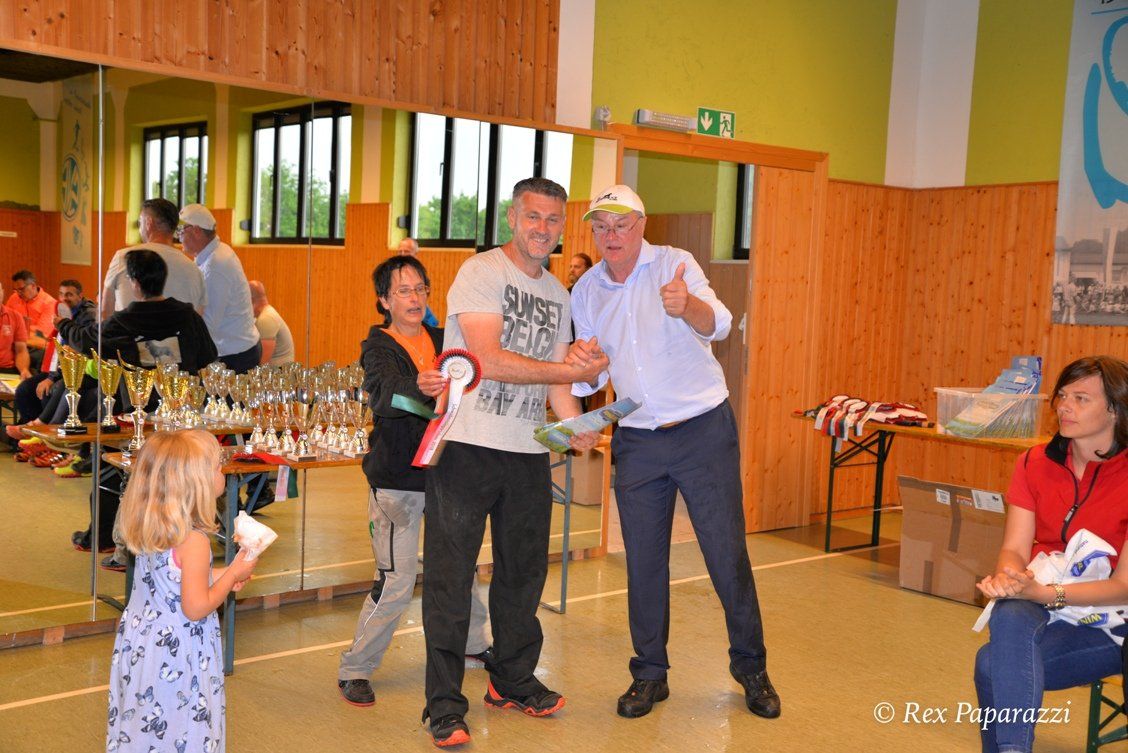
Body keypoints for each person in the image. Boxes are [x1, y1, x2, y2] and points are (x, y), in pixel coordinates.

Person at [568, 184, 780, 720]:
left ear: (642, 224)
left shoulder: (674, 264)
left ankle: (751, 668)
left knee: (725, 554)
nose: (611, 235)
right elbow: (593, 373)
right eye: (601, 227)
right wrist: (585, 364)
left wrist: (689, 307)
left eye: (621, 224)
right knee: (642, 561)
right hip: (637, 439)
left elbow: (720, 324)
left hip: (702, 430)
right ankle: (649, 673)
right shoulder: (586, 290)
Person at [415, 177, 606, 747]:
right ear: (512, 218)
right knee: (451, 579)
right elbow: (487, 359)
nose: (542, 229)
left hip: (528, 452)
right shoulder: (481, 272)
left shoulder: (557, 294)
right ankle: (444, 705)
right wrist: (568, 372)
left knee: (524, 576)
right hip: (467, 447)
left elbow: (557, 383)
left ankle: (512, 680)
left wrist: (577, 426)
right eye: (533, 217)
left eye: (553, 220)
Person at [337, 255, 493, 708]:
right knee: (396, 580)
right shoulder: (378, 347)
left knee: (460, 569)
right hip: (397, 483)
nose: (414, 297)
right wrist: (418, 387)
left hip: (447, 477)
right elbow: (383, 395)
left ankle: (475, 643)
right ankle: (355, 668)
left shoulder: (446, 341)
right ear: (384, 300)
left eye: (420, 288)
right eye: (403, 290)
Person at [974, 355, 1128, 753]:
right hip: (1041, 598)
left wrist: (1044, 594)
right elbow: (1014, 548)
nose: (1064, 407)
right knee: (1010, 611)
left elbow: (1123, 586)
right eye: (1062, 396)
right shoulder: (1034, 462)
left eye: (1081, 398)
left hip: (1109, 621)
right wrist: (1009, 579)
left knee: (991, 664)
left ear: (1115, 409)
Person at [58, 249, 218, 562]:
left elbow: (86, 341)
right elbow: (207, 355)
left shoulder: (124, 320)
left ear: (134, 282)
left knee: (108, 464)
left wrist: (64, 324)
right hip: (181, 414)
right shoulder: (187, 316)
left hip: (134, 416)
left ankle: (102, 536)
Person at [106, 429, 258, 753]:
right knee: (182, 728)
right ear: (196, 482)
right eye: (216, 467)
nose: (222, 472)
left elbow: (174, 579)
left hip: (144, 644)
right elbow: (196, 607)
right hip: (178, 652)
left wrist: (222, 576)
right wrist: (232, 574)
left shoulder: (156, 525)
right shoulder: (194, 541)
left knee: (145, 724)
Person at [178, 203, 262, 373]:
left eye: (181, 231)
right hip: (236, 350)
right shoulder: (217, 251)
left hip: (236, 356)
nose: (178, 237)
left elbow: (208, 323)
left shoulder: (216, 265)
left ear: (196, 231)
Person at [102, 198, 207, 319]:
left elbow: (105, 312)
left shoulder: (124, 257)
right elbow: (198, 319)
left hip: (127, 331)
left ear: (148, 222)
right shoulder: (194, 270)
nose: (139, 229)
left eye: (140, 222)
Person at [6, 270, 57, 368]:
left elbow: (40, 334)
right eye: (16, 290)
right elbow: (5, 320)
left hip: (35, 345)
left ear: (33, 286)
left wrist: (16, 333)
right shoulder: (14, 298)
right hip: (15, 342)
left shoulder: (50, 303)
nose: (18, 293)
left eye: (21, 289)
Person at [248, 280, 295, 366]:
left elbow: (262, 363)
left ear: (251, 300)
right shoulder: (268, 314)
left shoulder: (266, 319)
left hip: (278, 372)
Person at [397, 237, 439, 326]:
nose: (402, 255)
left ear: (415, 254)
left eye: (406, 251)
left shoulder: (420, 275)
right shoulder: (391, 274)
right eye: (400, 251)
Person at [0, 279, 31, 382]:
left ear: (2, 292)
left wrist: (24, 370)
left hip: (7, 371)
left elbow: (21, 351)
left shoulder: (16, 316)